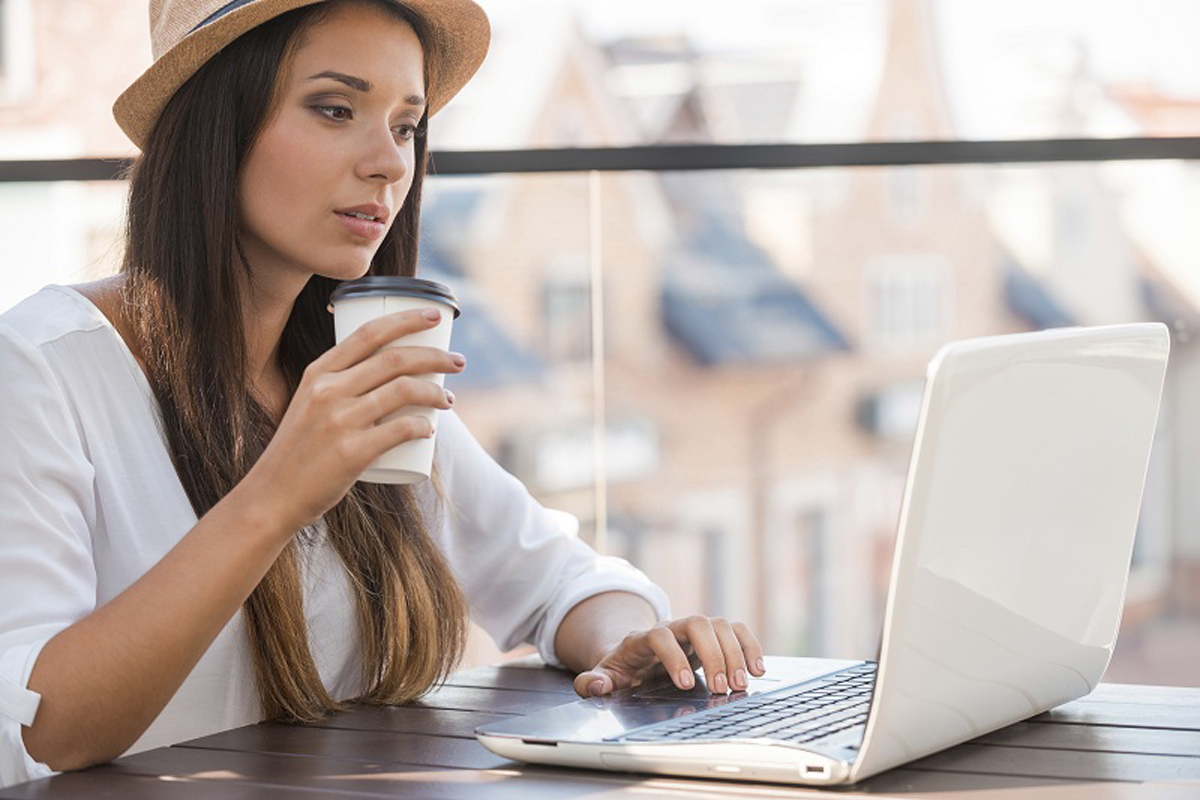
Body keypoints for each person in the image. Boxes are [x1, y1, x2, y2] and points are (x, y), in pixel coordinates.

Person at [0, 0, 767, 788]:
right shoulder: (40, 370)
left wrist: (629, 641)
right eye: (336, 109)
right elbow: (36, 731)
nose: (389, 163)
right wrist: (274, 497)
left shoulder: (352, 359)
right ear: (212, 124)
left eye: (406, 126)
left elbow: (557, 580)